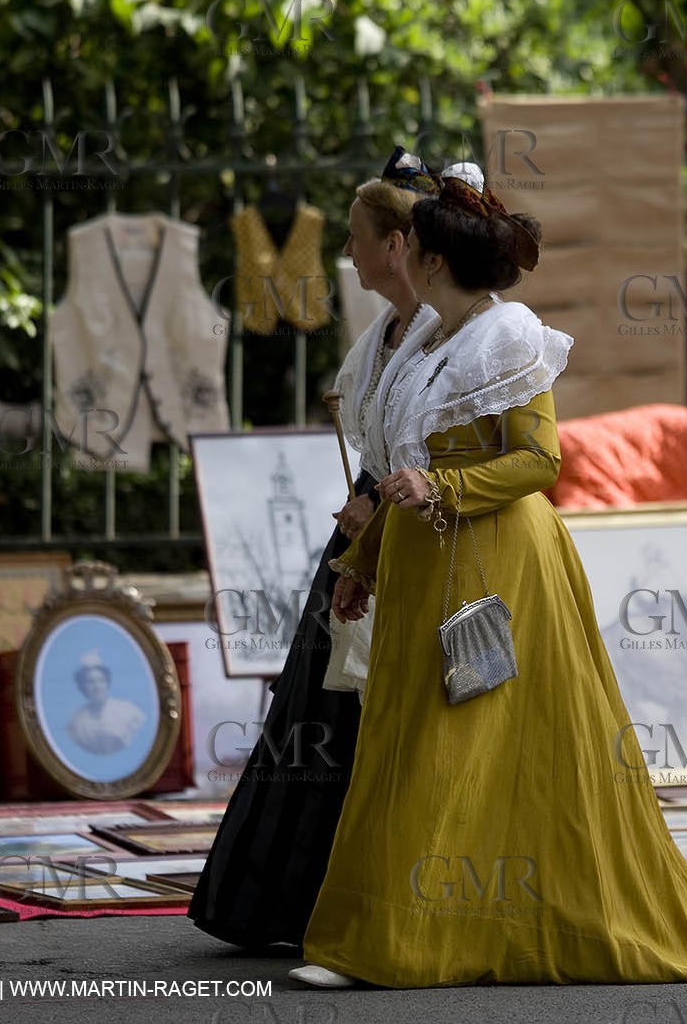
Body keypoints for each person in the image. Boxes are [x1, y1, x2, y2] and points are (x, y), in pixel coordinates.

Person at [290, 176, 687, 988]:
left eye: (416, 246)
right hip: (420, 557)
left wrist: (446, 489)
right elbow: (404, 466)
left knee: (456, 747)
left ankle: (400, 945)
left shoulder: (511, 337)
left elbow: (541, 460)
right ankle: (397, 932)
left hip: (500, 559)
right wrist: (358, 563)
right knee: (404, 745)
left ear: (434, 260)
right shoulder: (426, 339)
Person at [190, 148, 448, 950]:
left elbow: (462, 441)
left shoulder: (455, 331)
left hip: (414, 536)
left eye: (356, 235)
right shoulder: (381, 336)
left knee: (380, 714)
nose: (346, 250)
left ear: (395, 246)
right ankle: (292, 900)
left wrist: (381, 498)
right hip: (359, 540)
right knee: (319, 711)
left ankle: (384, 898)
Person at [64, 654, 145, 755]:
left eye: (101, 680)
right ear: (82, 687)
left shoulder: (128, 711)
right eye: (90, 682)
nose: (97, 686)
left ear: (107, 683)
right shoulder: (76, 722)